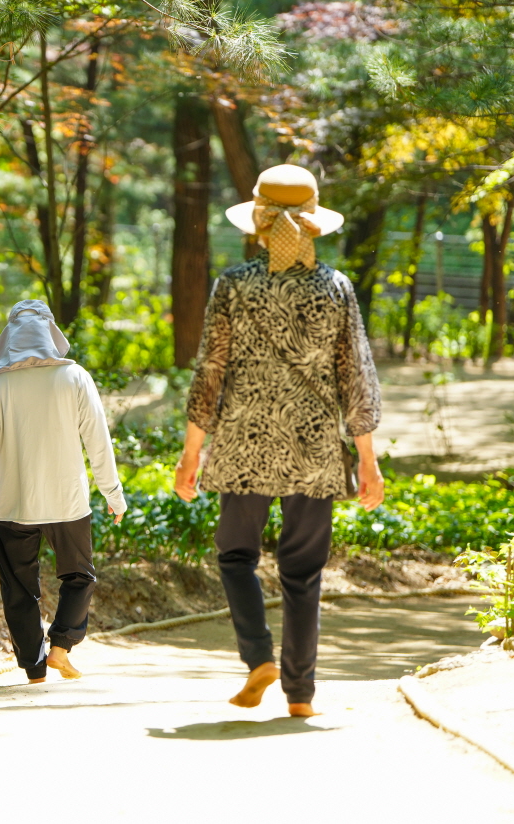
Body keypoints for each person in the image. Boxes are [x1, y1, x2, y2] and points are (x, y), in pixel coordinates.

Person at [174, 164, 384, 718]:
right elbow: (356, 376)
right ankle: (300, 695)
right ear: (314, 225)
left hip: (244, 440)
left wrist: (192, 452)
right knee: (303, 572)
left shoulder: (235, 285)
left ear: (258, 225)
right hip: (314, 447)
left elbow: (210, 373)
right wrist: (367, 459)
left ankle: (258, 657)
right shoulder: (336, 288)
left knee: (235, 555)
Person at [0, 301, 127, 684]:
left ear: (10, 336)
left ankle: (35, 669)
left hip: (13, 503)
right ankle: (60, 647)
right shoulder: (75, 377)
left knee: (18, 589)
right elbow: (99, 442)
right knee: (81, 577)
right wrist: (113, 493)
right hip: (67, 501)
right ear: (50, 333)